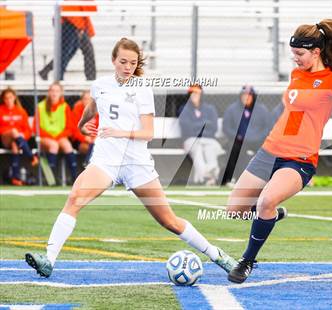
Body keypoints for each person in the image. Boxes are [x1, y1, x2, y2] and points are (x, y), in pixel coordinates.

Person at [25, 38, 237, 278]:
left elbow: (148, 133)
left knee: (169, 221)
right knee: (74, 199)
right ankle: (49, 261)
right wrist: (82, 123)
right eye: (123, 61)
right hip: (106, 160)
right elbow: (94, 107)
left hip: (137, 163)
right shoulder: (101, 85)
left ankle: (217, 254)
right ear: (113, 60)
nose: (127, 66)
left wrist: (120, 132)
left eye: (132, 63)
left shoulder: (142, 89)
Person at [225, 19, 332, 283]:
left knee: (265, 201)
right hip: (270, 151)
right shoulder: (296, 75)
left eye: (300, 54)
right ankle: (271, 215)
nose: (295, 59)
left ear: (316, 52)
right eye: (292, 53)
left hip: (299, 159)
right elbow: (295, 113)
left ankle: (247, 261)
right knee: (234, 210)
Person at [221, 85, 270, 185]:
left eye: (249, 95)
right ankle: (236, 178)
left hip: (257, 140)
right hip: (239, 140)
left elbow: (268, 127)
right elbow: (226, 127)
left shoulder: (262, 109)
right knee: (234, 149)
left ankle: (266, 178)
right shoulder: (232, 109)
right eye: (244, 95)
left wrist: (258, 137)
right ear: (240, 96)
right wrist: (237, 136)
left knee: (269, 149)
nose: (246, 98)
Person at [39, 0, 97, 81]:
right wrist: (79, 28)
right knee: (67, 52)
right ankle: (56, 76)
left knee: (71, 52)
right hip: (69, 24)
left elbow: (91, 8)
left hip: (76, 24)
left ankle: (47, 71)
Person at [178, 84, 224, 185]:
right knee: (197, 150)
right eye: (192, 93)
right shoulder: (184, 109)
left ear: (201, 94)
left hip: (208, 139)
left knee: (210, 150)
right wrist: (204, 124)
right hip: (191, 140)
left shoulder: (210, 109)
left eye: (196, 93)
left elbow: (213, 128)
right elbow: (187, 128)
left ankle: (210, 179)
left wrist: (196, 126)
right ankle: (207, 177)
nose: (194, 95)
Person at [33, 82, 77, 182]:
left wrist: (59, 136)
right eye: (52, 91)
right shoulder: (40, 106)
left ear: (61, 93)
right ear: (48, 92)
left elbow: (70, 128)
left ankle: (75, 177)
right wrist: (52, 137)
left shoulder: (65, 107)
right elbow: (36, 128)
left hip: (59, 137)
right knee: (53, 145)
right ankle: (50, 179)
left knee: (67, 146)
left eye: (57, 91)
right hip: (45, 138)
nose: (54, 93)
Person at [0, 88, 38, 185]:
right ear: (3, 99)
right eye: (6, 98)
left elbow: (28, 131)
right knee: (13, 131)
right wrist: (11, 132)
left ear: (14, 98)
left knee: (15, 145)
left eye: (10, 97)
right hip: (3, 139)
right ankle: (30, 156)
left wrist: (20, 135)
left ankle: (15, 178)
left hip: (17, 140)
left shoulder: (21, 111)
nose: (8, 100)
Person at [72, 90, 98, 165]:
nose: (87, 101)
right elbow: (74, 129)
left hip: (93, 140)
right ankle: (87, 163)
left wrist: (93, 138)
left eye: (89, 99)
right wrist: (84, 138)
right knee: (93, 148)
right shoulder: (77, 110)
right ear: (81, 100)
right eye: (85, 99)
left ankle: (88, 163)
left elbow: (99, 127)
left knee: (97, 147)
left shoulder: (97, 110)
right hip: (80, 140)